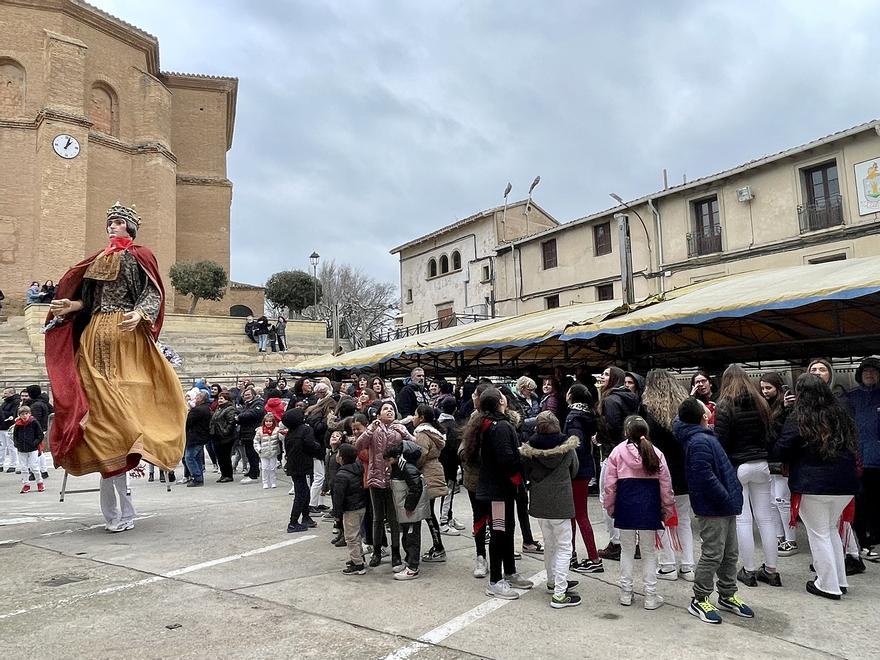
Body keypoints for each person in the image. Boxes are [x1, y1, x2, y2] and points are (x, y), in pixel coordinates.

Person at [45, 203, 186, 532]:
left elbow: (153, 292)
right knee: (96, 393)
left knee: (128, 390)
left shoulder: (140, 255)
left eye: (118, 222)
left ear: (130, 228)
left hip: (126, 331)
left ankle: (139, 435)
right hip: (95, 332)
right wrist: (72, 305)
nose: (112, 226)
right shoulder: (97, 260)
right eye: (109, 222)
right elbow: (90, 302)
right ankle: (106, 446)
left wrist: (140, 313)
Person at [776, 374, 860, 599]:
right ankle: (839, 581)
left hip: (812, 484)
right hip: (845, 484)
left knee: (819, 534)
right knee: (830, 530)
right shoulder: (840, 412)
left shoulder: (799, 416)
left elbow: (782, 449)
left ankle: (827, 584)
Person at [675, 398, 753, 625]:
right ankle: (700, 598)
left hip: (724, 505)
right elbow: (703, 475)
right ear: (703, 415)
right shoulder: (698, 440)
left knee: (730, 553)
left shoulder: (703, 436)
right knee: (713, 554)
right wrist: (725, 495)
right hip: (713, 507)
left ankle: (727, 594)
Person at [714, 364, 780, 587]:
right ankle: (771, 570)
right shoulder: (761, 402)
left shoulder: (724, 404)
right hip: (761, 463)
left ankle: (749, 570)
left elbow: (721, 440)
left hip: (738, 466)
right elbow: (770, 434)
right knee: (766, 518)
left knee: (743, 519)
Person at [466, 387, 533, 599]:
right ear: (500, 402)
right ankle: (495, 580)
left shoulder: (487, 424)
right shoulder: (500, 426)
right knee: (498, 533)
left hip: (500, 489)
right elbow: (506, 460)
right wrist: (523, 459)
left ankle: (510, 572)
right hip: (498, 491)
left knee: (507, 530)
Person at [604, 415, 674, 610]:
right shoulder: (656, 453)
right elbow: (666, 486)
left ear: (626, 432)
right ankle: (651, 596)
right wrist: (667, 508)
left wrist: (610, 507)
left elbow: (609, 486)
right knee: (649, 552)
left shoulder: (617, 452)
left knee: (626, 550)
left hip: (625, 506)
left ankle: (626, 593)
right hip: (649, 506)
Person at [520, 411, 581, 608]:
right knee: (564, 547)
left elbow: (526, 473)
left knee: (550, 544)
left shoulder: (529, 451)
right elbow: (575, 470)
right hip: (561, 502)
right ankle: (560, 594)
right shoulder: (568, 449)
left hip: (540, 502)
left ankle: (552, 580)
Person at [640, 370, 695, 582]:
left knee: (661, 519)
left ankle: (667, 565)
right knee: (683, 521)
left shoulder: (647, 410)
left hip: (657, 471)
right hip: (683, 471)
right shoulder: (685, 408)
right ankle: (688, 567)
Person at [356, 401, 413, 569]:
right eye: (385, 409)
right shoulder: (374, 430)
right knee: (377, 518)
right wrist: (370, 429)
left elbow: (415, 446)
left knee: (394, 518)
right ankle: (377, 551)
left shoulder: (398, 429)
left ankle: (396, 553)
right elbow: (359, 445)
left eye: (392, 409)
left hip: (394, 479)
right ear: (378, 414)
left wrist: (405, 433)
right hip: (375, 478)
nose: (389, 411)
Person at [596, 366, 640, 561]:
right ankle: (632, 542)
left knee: (607, 499)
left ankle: (617, 543)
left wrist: (599, 437)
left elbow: (611, 426)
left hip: (612, 453)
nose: (602, 377)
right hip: (630, 452)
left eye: (606, 374)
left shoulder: (610, 400)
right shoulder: (630, 398)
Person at [563, 383, 603, 574]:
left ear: (571, 396)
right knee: (576, 514)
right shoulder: (587, 414)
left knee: (577, 514)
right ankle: (574, 555)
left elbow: (575, 446)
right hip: (585, 470)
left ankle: (592, 558)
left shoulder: (574, 417)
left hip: (576, 472)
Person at [760, 371, 798, 556]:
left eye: (768, 387)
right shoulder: (765, 406)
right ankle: (779, 537)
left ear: (777, 387)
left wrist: (785, 409)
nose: (765, 391)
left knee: (782, 499)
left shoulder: (785, 407)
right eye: (763, 388)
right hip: (770, 458)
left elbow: (782, 432)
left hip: (782, 458)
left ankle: (790, 540)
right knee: (773, 501)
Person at [847, 357, 880, 561]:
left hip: (877, 459)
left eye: (874, 371)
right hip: (858, 459)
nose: (869, 374)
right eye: (866, 371)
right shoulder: (851, 397)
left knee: (877, 500)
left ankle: (875, 534)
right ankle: (863, 539)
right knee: (860, 501)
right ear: (860, 375)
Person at [385, 442, 430, 580]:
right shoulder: (400, 466)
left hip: (410, 510)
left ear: (397, 456)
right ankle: (410, 561)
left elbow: (416, 488)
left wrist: (409, 507)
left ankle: (413, 567)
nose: (388, 462)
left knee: (411, 537)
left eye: (389, 459)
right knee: (407, 536)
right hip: (406, 509)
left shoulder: (406, 468)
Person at [411, 404, 448, 563]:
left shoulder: (422, 434)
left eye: (415, 414)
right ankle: (438, 546)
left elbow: (421, 454)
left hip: (427, 474)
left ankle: (439, 548)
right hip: (435, 471)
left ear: (421, 418)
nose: (413, 417)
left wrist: (414, 467)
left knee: (428, 514)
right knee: (429, 512)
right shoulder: (433, 432)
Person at [334, 443, 369, 575]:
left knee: (351, 537)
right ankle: (360, 558)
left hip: (350, 509)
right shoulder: (358, 467)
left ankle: (357, 564)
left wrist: (337, 514)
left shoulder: (341, 475)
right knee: (357, 534)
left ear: (342, 458)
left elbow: (338, 497)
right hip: (361, 506)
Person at [437, 396, 464, 535]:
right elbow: (455, 449)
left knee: (448, 493)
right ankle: (444, 521)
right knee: (448, 493)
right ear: (455, 409)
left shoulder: (438, 424)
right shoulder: (454, 427)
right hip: (450, 465)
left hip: (440, 463)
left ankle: (449, 517)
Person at [12, 405, 44, 493]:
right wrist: (17, 444)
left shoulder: (34, 422)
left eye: (26, 413)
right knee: (23, 467)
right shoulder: (18, 425)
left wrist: (35, 443)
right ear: (19, 415)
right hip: (21, 449)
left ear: (30, 414)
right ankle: (26, 484)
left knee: (34, 466)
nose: (24, 416)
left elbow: (40, 435)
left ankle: (40, 482)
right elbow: (15, 436)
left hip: (33, 448)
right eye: (22, 414)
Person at [184, 391, 212, 487]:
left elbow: (187, 423)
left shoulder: (197, 410)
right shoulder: (206, 408)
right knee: (197, 458)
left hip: (195, 437)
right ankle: (199, 477)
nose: (195, 398)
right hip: (201, 437)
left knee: (189, 458)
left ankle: (197, 477)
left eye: (198, 396)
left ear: (202, 399)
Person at [236, 388, 264, 484]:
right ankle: (252, 471)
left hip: (253, 432)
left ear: (253, 394)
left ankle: (254, 475)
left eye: (248, 394)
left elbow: (254, 414)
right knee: (249, 454)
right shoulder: (247, 405)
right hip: (246, 433)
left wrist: (240, 416)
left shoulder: (258, 403)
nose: (246, 397)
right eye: (244, 395)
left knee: (253, 455)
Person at [209, 390, 237, 483]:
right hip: (216, 436)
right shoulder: (219, 408)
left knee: (225, 457)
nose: (219, 400)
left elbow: (231, 422)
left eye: (222, 398)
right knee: (220, 457)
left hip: (225, 437)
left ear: (227, 399)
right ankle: (223, 474)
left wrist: (225, 431)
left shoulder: (230, 409)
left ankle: (228, 475)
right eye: (219, 398)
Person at [253, 412, 281, 489]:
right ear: (264, 422)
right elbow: (256, 441)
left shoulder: (277, 430)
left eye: (270, 421)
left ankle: (273, 482)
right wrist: (258, 449)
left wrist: (281, 433)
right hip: (263, 452)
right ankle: (265, 482)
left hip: (273, 452)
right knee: (264, 468)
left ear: (273, 422)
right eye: (267, 421)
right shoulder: (260, 431)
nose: (268, 423)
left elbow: (281, 439)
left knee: (273, 468)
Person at [0, 387, 20, 473]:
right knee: (2, 446)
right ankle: (1, 464)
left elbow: (13, 414)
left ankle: (13, 464)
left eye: (5, 393)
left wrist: (2, 413)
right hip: (2, 426)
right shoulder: (5, 402)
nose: (3, 395)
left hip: (9, 426)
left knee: (11, 446)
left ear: (11, 393)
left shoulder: (15, 402)